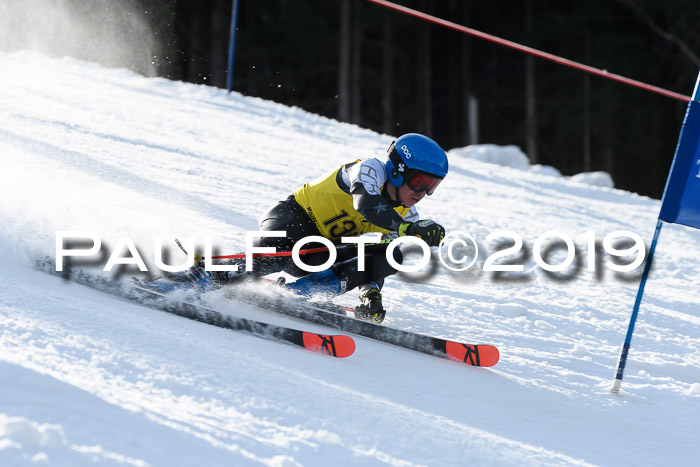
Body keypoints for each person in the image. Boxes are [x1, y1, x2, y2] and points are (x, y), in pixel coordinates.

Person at [161, 133, 448, 323]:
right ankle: (206, 276)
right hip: (291, 220)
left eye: (432, 186)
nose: (424, 192)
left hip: (320, 250)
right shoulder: (370, 170)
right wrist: (407, 229)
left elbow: (376, 262)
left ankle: (299, 294)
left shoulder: (406, 213)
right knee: (288, 251)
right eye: (421, 182)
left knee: (390, 254)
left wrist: (371, 295)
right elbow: (365, 204)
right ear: (398, 171)